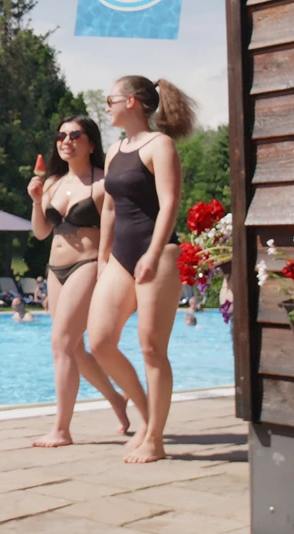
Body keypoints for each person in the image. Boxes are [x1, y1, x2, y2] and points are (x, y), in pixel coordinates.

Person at [87, 75, 197, 464]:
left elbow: (170, 203)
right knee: (100, 341)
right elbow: (111, 209)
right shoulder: (115, 150)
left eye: (110, 98)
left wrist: (152, 254)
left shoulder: (160, 145)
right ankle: (148, 416)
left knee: (151, 348)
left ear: (132, 102)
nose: (107, 105)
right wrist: (103, 260)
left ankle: (155, 438)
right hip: (119, 257)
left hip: (159, 253)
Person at [28, 113, 130, 447]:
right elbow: (42, 233)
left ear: (90, 142)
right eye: (61, 136)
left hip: (87, 265)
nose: (66, 141)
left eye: (74, 135)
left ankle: (61, 429)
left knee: (60, 344)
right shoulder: (54, 183)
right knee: (74, 348)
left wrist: (104, 274)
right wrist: (36, 200)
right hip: (55, 269)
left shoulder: (103, 183)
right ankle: (117, 400)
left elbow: (111, 234)